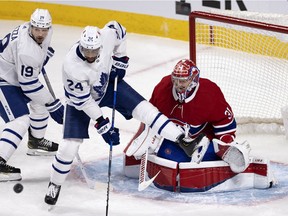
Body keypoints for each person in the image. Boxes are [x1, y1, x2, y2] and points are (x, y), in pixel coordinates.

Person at [44, 22, 197, 206]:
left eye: (94, 51)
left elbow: (119, 29)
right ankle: (55, 183)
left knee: (146, 110)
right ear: (81, 46)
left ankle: (180, 138)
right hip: (81, 101)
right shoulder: (72, 67)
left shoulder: (107, 36)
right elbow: (85, 102)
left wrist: (120, 59)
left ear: (100, 45)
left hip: (107, 85)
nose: (91, 56)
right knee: (69, 146)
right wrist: (102, 123)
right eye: (87, 51)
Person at [123, 59, 274, 192]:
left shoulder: (209, 92)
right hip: (174, 141)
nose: (178, 85)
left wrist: (225, 143)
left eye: (183, 81)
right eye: (175, 80)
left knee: (190, 157)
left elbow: (225, 123)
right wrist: (141, 140)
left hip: (203, 139)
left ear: (194, 79)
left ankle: (218, 151)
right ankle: (199, 155)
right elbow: (150, 118)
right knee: (168, 154)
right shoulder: (163, 88)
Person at [0, 8, 64, 182]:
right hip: (3, 78)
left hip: (12, 73)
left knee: (39, 101)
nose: (41, 33)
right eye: (37, 29)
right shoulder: (27, 50)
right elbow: (28, 84)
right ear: (31, 26)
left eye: (44, 30)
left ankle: (36, 142)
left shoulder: (42, 31)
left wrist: (42, 57)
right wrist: (54, 104)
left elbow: (37, 54)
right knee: (20, 120)